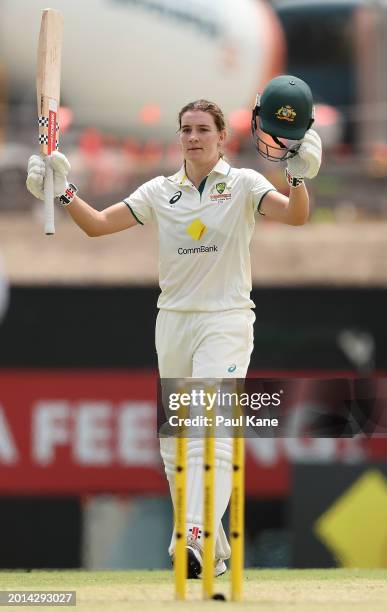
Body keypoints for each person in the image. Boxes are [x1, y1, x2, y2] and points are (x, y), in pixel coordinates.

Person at [26, 75, 322, 578]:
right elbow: (97, 225)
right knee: (175, 440)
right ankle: (212, 544)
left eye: (202, 129)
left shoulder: (245, 184)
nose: (192, 137)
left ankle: (194, 537)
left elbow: (296, 217)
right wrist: (61, 189)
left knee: (210, 427)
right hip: (175, 322)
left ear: (221, 136)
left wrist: (297, 176)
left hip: (226, 320)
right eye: (185, 129)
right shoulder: (161, 192)